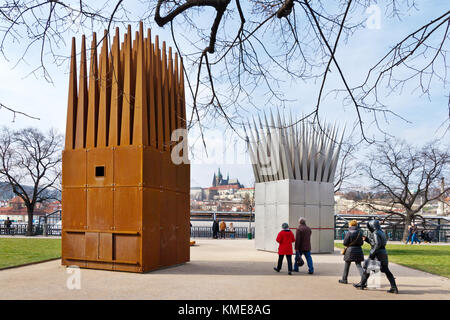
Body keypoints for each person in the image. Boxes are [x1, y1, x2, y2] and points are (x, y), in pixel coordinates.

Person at [354, 219, 398, 294]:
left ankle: (362, 284)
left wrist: (372, 255)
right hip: (383, 253)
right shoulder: (381, 232)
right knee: (386, 271)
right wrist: (367, 239)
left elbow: (377, 244)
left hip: (377, 254)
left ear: (372, 226)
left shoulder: (375, 233)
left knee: (367, 269)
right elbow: (378, 243)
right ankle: (394, 287)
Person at [339, 220, 364, 284]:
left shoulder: (349, 232)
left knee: (347, 265)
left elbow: (345, 243)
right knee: (359, 266)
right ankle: (364, 280)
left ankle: (344, 279)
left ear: (351, 225)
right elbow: (362, 243)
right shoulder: (360, 233)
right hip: (358, 250)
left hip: (350, 251)